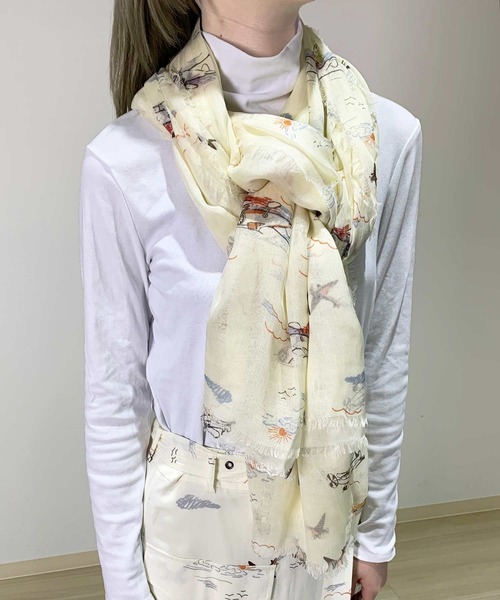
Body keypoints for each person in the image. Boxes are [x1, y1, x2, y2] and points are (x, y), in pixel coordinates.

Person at [78, 1, 423, 599]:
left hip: (327, 516)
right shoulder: (126, 158)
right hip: (192, 530)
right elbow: (116, 392)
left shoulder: (382, 138)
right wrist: (124, 586)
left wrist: (375, 533)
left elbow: (383, 354)